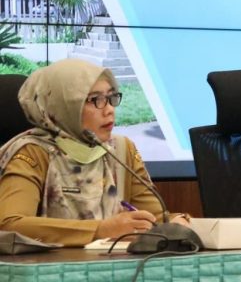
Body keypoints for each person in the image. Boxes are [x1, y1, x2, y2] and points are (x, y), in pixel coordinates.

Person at [0, 59, 188, 246]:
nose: (109, 110)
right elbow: (9, 224)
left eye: (111, 97)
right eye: (94, 100)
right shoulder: (33, 152)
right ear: (62, 106)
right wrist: (100, 230)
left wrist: (175, 223)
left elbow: (154, 217)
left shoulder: (121, 150)